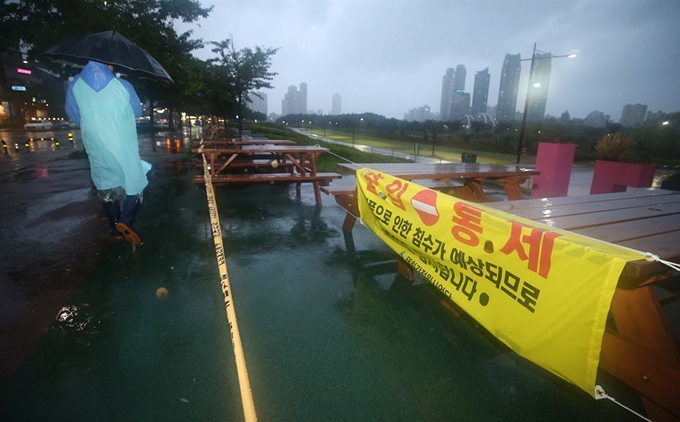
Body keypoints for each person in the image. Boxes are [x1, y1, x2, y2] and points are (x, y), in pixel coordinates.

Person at [65, 61, 151, 245]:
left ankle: (114, 228)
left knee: (105, 186)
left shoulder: (74, 85)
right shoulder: (123, 85)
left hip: (95, 144)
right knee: (136, 181)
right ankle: (126, 221)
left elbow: (73, 114)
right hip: (122, 143)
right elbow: (136, 111)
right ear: (110, 65)